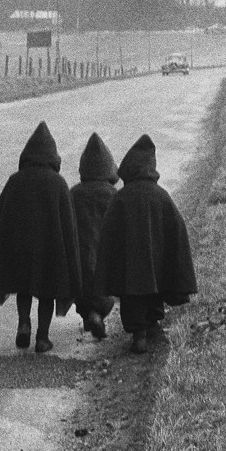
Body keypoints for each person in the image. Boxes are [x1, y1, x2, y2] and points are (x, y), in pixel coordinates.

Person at [0, 121, 82, 353]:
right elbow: (69, 226)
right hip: (49, 248)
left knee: (24, 287)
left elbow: (0, 221)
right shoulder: (58, 184)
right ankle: (42, 337)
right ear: (52, 156)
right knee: (46, 291)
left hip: (20, 247)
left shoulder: (14, 181)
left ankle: (23, 324)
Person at [92, 134, 197, 354]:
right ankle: (152, 324)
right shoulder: (161, 196)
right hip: (155, 266)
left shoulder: (121, 198)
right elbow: (177, 228)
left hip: (130, 267)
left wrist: (109, 264)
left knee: (132, 297)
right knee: (154, 289)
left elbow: (108, 233)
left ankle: (138, 334)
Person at [70, 132, 119, 340]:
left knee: (82, 288)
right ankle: (97, 314)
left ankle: (89, 313)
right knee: (105, 288)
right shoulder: (112, 195)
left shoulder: (74, 193)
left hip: (80, 253)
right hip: (104, 252)